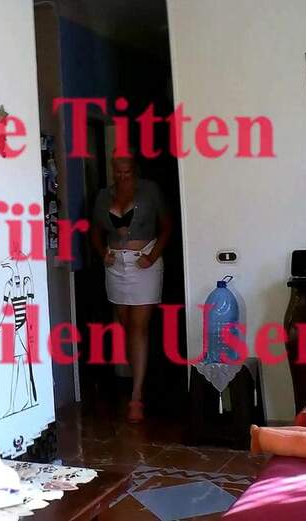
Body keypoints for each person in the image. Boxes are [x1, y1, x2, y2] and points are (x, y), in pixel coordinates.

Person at [90, 156, 173, 423]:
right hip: (116, 264)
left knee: (139, 327)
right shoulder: (104, 196)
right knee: (127, 326)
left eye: (127, 172)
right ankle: (139, 381)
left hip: (144, 262)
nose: (122, 176)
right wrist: (102, 253)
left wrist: (152, 256)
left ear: (134, 170)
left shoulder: (150, 190)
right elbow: (95, 232)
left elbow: (167, 226)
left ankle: (136, 397)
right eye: (118, 172)